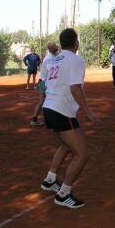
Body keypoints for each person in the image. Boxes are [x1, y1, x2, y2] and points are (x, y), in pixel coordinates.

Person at [40, 28, 100, 209]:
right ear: (76, 42)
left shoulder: (54, 59)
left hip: (49, 108)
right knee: (82, 154)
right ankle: (63, 193)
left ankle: (50, 180)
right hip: (61, 110)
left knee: (66, 145)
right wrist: (88, 111)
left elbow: (46, 84)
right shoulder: (75, 59)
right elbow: (75, 88)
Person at [31, 42, 59, 126]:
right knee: (44, 100)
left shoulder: (53, 56)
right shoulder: (50, 58)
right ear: (50, 48)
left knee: (44, 100)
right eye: (54, 45)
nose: (56, 46)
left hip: (44, 81)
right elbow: (51, 72)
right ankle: (38, 119)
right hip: (44, 82)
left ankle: (35, 119)